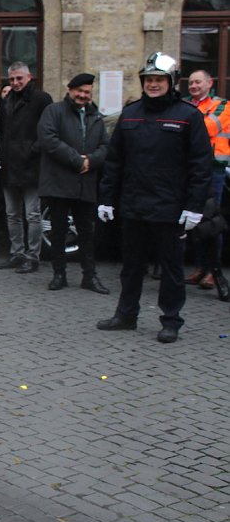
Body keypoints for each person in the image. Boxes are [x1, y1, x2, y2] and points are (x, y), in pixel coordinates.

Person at [96, 52, 212, 344]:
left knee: (171, 269)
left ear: (171, 81)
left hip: (170, 207)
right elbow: (114, 161)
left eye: (159, 79)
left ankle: (170, 321)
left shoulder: (188, 115)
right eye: (148, 79)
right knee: (131, 267)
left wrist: (194, 207)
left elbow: (200, 165)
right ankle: (126, 315)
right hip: (134, 204)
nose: (153, 84)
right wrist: (107, 198)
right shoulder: (130, 113)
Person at [37, 73, 110, 294]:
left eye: (87, 92)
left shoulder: (96, 116)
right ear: (70, 90)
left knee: (87, 233)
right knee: (58, 233)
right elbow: (49, 140)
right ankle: (59, 274)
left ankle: (90, 276)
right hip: (59, 183)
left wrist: (91, 161)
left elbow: (105, 146)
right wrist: (77, 160)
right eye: (79, 91)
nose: (82, 95)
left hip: (85, 184)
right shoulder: (54, 111)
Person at [0, 62, 53, 273]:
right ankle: (17, 253)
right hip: (10, 165)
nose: (15, 82)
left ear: (29, 77)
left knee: (33, 214)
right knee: (12, 214)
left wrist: (32, 150)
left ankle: (33, 256)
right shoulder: (7, 100)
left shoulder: (41, 99)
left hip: (31, 165)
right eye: (12, 79)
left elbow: (48, 130)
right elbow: (1, 131)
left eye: (19, 78)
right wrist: (1, 152)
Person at [182, 70, 230, 292]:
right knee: (194, 219)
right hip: (189, 168)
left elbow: (208, 128)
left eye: (198, 82)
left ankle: (213, 271)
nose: (193, 85)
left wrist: (183, 124)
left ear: (209, 83)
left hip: (213, 169)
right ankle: (201, 267)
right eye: (191, 82)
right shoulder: (185, 104)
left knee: (212, 222)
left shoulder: (222, 105)